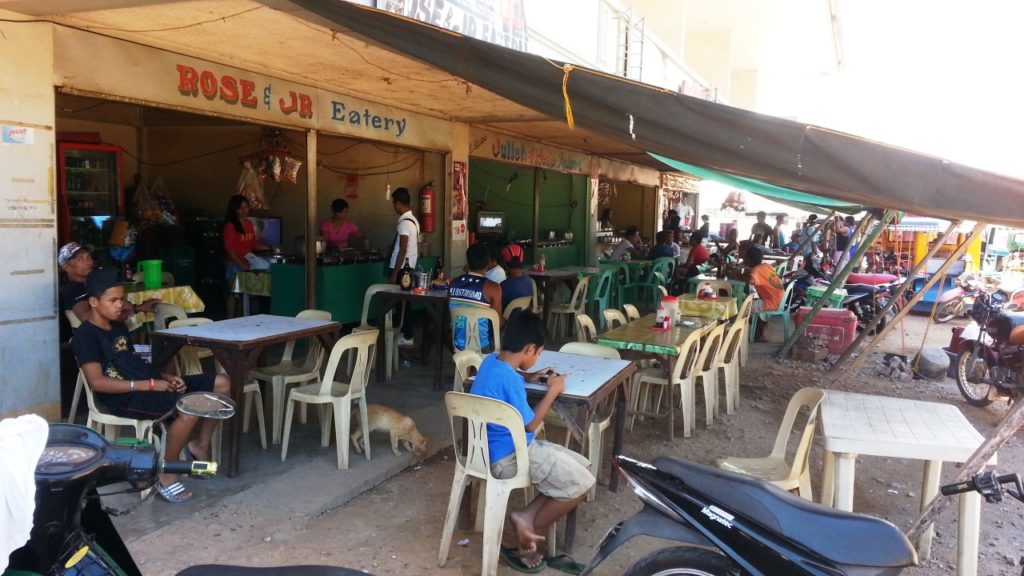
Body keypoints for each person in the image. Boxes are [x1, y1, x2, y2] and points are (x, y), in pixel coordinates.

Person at [71, 268, 230, 504]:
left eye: (121, 299)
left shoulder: (118, 326)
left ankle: (199, 445)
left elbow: (133, 363)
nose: (120, 305)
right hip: (124, 397)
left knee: (222, 384)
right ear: (94, 302)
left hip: (148, 384)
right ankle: (167, 473)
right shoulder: (86, 336)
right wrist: (150, 384)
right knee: (188, 409)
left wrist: (165, 377)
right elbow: (97, 382)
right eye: (113, 300)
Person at [469, 311, 594, 571]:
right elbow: (531, 424)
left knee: (583, 466)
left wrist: (530, 376)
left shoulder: (491, 362)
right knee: (582, 483)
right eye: (538, 353)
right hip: (512, 456)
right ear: (529, 349)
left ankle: (525, 516)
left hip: (488, 451)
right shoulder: (509, 379)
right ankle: (528, 538)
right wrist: (553, 390)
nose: (537, 358)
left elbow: (508, 376)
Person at [450, 243, 503, 352]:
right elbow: (498, 322)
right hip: (483, 346)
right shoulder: (493, 288)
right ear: (488, 263)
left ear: (468, 262)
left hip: (459, 344)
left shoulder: (454, 283)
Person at [386, 188, 420, 346]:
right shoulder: (413, 221)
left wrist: (394, 274)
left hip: (401, 269)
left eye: (394, 204)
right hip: (409, 267)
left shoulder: (404, 224)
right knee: (404, 301)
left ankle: (407, 336)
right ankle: (404, 333)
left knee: (403, 303)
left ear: (398, 204)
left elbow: (403, 249)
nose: (394, 207)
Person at [223, 195, 265, 318]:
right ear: (234, 209)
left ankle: (240, 320)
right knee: (233, 293)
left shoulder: (249, 224)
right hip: (233, 264)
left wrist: (271, 247)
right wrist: (240, 263)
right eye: (240, 208)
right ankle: (230, 321)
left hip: (247, 263)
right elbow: (229, 248)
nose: (244, 210)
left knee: (244, 294)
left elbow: (254, 245)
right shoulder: (230, 226)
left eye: (246, 207)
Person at [743, 245, 785, 341]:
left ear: (749, 260)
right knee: (751, 304)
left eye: (745, 258)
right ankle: (761, 326)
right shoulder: (766, 266)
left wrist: (740, 276)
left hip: (771, 302)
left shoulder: (756, 270)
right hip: (780, 300)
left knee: (744, 307)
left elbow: (750, 281)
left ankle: (759, 332)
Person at [500, 243, 533, 310]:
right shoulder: (529, 280)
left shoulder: (504, 286)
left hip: (508, 317)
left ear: (504, 263)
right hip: (525, 316)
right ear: (522, 261)